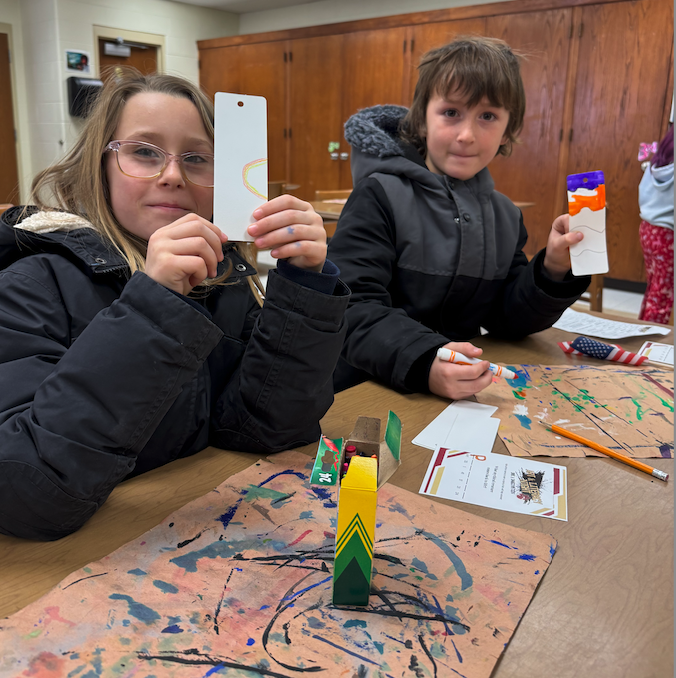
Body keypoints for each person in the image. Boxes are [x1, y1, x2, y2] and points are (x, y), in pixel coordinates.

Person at [0, 69, 349, 541]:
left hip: (197, 531)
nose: (172, 176)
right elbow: (27, 491)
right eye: (144, 152)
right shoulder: (32, 283)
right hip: (81, 560)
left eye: (196, 158)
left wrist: (303, 288)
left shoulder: (222, 278)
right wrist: (154, 303)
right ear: (99, 165)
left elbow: (265, 429)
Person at [329, 36, 590, 400]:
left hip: (458, 393)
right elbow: (351, 308)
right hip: (367, 387)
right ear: (421, 120)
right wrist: (425, 361)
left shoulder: (505, 215)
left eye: (487, 116)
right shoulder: (379, 194)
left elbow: (508, 320)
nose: (467, 135)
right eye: (451, 113)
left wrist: (552, 270)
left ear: (508, 130)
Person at [638, 124, 673, 323]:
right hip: (668, 235)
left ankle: (642, 326)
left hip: (648, 229)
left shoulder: (655, 164)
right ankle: (652, 341)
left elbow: (642, 193)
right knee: (663, 294)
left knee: (654, 287)